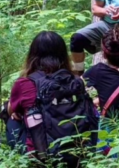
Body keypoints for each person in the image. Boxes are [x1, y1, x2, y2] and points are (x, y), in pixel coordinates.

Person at [9, 31, 98, 167]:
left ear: (33, 55)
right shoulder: (75, 81)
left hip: (44, 155)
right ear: (63, 54)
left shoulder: (24, 83)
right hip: (80, 151)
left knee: (12, 121)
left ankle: (30, 159)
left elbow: (11, 110)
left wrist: (18, 111)